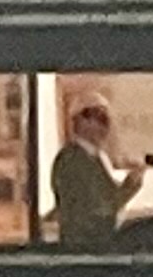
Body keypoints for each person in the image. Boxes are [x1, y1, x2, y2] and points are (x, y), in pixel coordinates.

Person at [50, 95, 145, 247]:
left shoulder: (95, 158)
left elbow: (107, 197)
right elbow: (100, 207)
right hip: (86, 249)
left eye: (106, 120)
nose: (104, 127)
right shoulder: (72, 160)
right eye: (98, 119)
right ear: (79, 122)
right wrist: (131, 184)